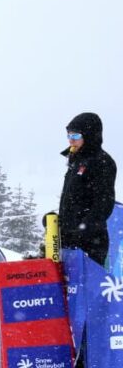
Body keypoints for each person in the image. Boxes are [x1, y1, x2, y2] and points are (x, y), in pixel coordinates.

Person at [58, 112, 117, 268]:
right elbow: (72, 201)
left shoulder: (102, 161)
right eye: (69, 135)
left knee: (86, 283)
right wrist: (57, 220)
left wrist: (82, 230)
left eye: (76, 135)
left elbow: (104, 204)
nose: (71, 140)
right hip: (69, 241)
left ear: (89, 135)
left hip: (90, 243)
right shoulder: (76, 161)